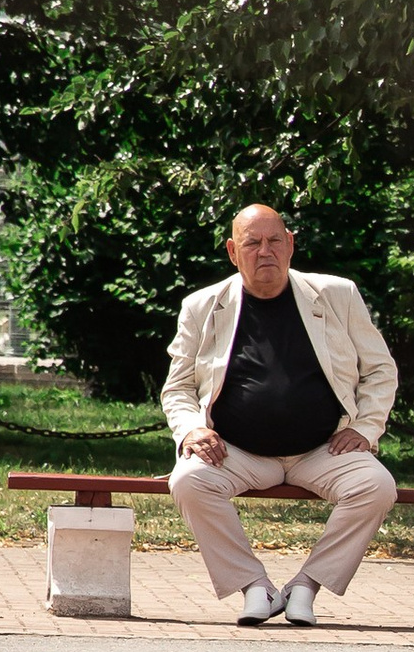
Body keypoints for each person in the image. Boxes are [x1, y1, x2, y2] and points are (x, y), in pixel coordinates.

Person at [163, 205, 400, 626]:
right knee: (189, 480)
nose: (265, 251)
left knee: (376, 486)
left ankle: (304, 587)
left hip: (324, 448)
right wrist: (192, 428)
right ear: (234, 252)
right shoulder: (202, 306)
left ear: (290, 244)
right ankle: (256, 587)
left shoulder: (337, 295)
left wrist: (365, 428)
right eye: (253, 243)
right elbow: (178, 387)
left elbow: (380, 369)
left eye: (274, 241)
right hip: (236, 451)